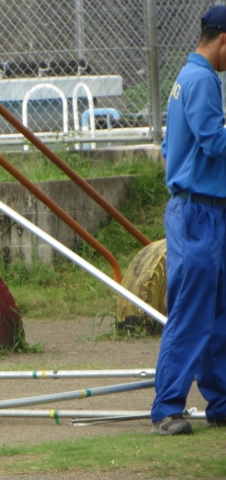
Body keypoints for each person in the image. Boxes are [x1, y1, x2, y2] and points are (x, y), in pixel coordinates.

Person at [151, 6, 226, 436]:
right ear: (222, 39)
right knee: (192, 311)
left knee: (217, 312)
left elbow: (169, 148)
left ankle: (220, 401)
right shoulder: (202, 80)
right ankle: (167, 408)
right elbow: (214, 141)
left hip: (202, 209)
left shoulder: (188, 78)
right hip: (198, 211)